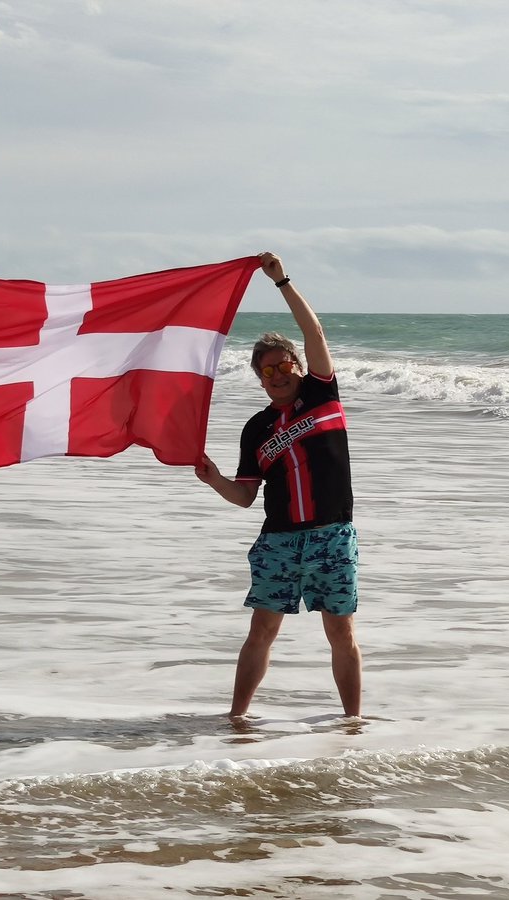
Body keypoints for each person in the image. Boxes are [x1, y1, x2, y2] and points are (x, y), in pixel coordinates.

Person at [195, 251, 363, 719]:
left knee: (341, 634)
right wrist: (214, 480)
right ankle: (237, 719)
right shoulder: (256, 429)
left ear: (296, 365)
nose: (277, 376)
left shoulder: (321, 393)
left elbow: (316, 333)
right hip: (280, 541)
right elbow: (245, 496)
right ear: (259, 379)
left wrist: (281, 281)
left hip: (332, 534)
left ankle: (353, 724)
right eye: (266, 371)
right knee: (261, 631)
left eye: (283, 366)